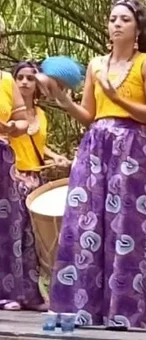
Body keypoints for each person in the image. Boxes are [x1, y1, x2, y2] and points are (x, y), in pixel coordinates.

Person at [40, 0, 146, 330]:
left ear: (137, 28)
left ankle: (127, 312)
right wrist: (62, 99)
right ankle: (83, 308)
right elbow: (89, 114)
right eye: (112, 19)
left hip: (133, 147)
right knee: (87, 224)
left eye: (124, 19)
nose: (116, 24)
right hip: (97, 147)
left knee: (127, 225)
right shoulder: (97, 64)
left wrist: (117, 98)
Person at [7, 62, 72, 309]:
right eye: (20, 78)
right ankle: (12, 294)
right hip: (13, 177)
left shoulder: (42, 115)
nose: (24, 82)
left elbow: (37, 145)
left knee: (32, 240)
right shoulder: (7, 113)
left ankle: (31, 295)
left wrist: (54, 156)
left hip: (36, 180)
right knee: (13, 238)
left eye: (30, 78)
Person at [0, 62, 43, 312]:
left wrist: (10, 128)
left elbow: (22, 123)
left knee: (7, 228)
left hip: (3, 159)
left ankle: (8, 291)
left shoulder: (6, 80)